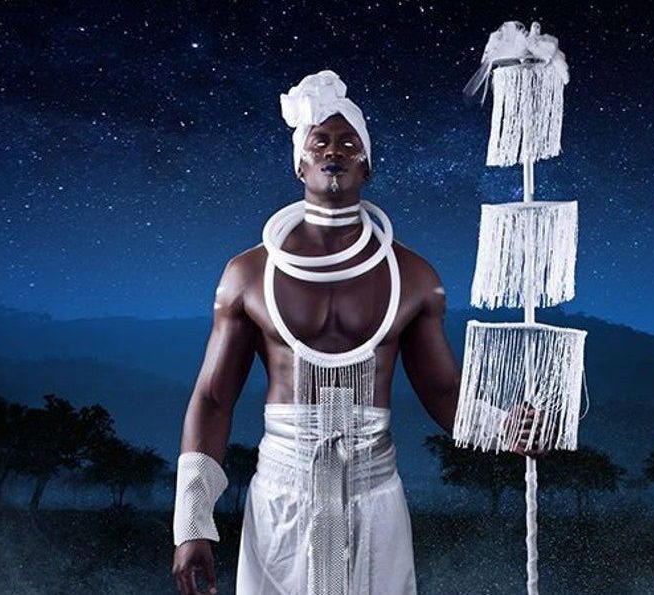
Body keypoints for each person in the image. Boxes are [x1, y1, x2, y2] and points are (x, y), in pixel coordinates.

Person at [171, 70, 543, 595]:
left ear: (367, 164)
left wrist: (501, 429)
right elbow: (213, 399)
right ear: (300, 163)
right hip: (282, 496)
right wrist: (192, 522)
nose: (333, 151)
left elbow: (442, 390)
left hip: (375, 498)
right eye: (319, 141)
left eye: (349, 142)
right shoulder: (248, 274)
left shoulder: (414, 276)